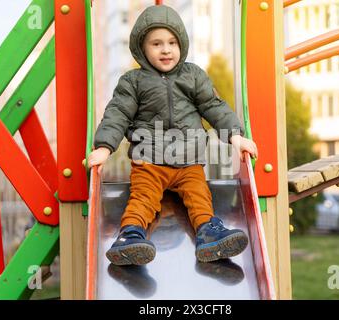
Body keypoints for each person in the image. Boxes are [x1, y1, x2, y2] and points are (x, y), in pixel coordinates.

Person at [88, 5, 258, 266]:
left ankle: (209, 234)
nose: (166, 50)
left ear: (182, 45)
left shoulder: (193, 75)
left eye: (172, 42)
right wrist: (104, 147)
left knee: (199, 196)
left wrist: (235, 136)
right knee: (142, 198)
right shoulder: (133, 81)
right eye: (156, 43)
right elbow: (118, 113)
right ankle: (130, 237)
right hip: (150, 161)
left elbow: (214, 106)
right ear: (142, 49)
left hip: (188, 162)